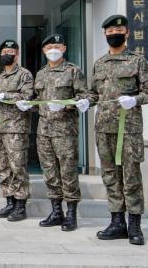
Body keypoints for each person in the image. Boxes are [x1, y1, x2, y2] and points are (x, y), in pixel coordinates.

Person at [89, 14, 148, 245]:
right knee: (110, 176)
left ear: (127, 33)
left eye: (118, 31)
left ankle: (135, 224)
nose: (114, 35)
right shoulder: (99, 63)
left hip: (128, 130)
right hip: (104, 129)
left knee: (131, 177)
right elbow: (93, 94)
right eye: (109, 32)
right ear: (105, 35)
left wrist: (135, 100)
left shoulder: (137, 61)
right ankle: (117, 222)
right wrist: (84, 102)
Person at [32, 34, 90, 231]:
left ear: (64, 48)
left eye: (57, 46)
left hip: (65, 131)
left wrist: (66, 106)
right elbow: (36, 100)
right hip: (44, 131)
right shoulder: (40, 74)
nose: (53, 50)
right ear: (44, 51)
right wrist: (25, 104)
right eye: (49, 47)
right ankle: (56, 211)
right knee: (50, 172)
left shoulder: (73, 70)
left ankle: (71, 214)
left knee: (68, 172)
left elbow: (85, 97)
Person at [0, 40, 33, 222]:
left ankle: (20, 205)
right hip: (0, 128)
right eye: (4, 51)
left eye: (10, 51)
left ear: (17, 54)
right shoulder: (1, 77)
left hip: (16, 129)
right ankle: (9, 201)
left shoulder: (24, 74)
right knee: (3, 167)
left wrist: (5, 96)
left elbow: (27, 97)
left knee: (17, 167)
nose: (7, 54)